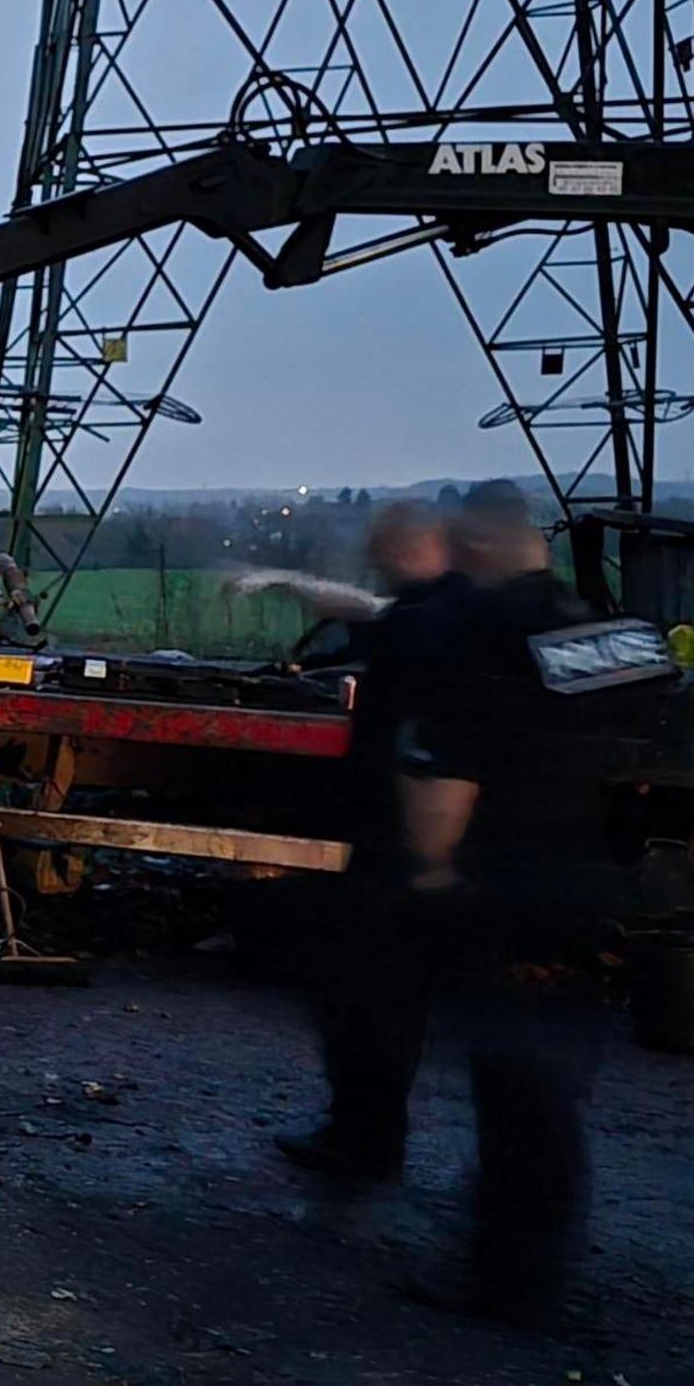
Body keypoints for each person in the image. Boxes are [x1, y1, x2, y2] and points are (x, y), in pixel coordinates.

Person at [384, 480, 643, 1328]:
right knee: (550, 1092)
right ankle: (532, 1258)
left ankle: (508, 1280)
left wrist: (427, 870)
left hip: (510, 889)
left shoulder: (484, 639)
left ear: (482, 551)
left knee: (515, 1088)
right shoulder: (608, 635)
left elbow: (446, 776)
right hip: (592, 892)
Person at [273, 498, 467, 1183]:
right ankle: (363, 1134)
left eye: (386, 549)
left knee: (370, 998)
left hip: (396, 846)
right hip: (396, 845)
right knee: (373, 998)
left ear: (410, 547)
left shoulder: (431, 624)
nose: (377, 561)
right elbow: (366, 611)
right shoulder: (435, 613)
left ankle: (366, 1142)